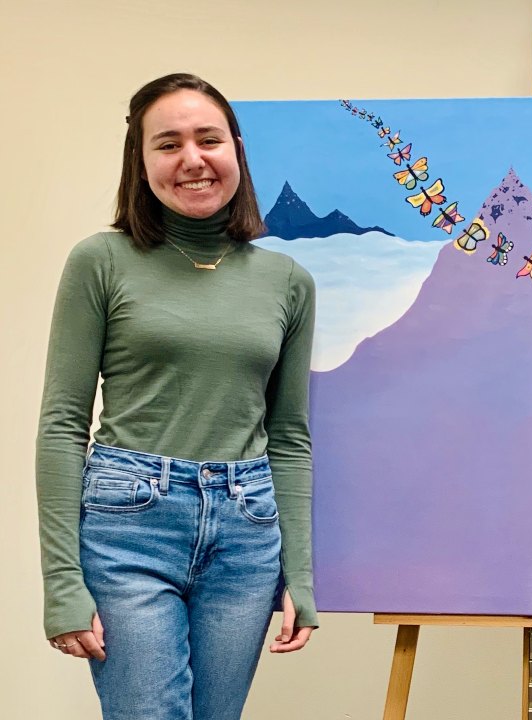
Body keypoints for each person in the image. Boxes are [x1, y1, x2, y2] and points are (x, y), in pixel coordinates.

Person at [35, 73, 318, 719]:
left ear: (235, 152)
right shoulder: (100, 262)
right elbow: (61, 425)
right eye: (167, 144)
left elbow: (291, 438)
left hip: (246, 535)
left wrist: (298, 574)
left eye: (208, 139)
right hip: (128, 528)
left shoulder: (288, 281)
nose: (192, 159)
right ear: (142, 163)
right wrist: (61, 583)